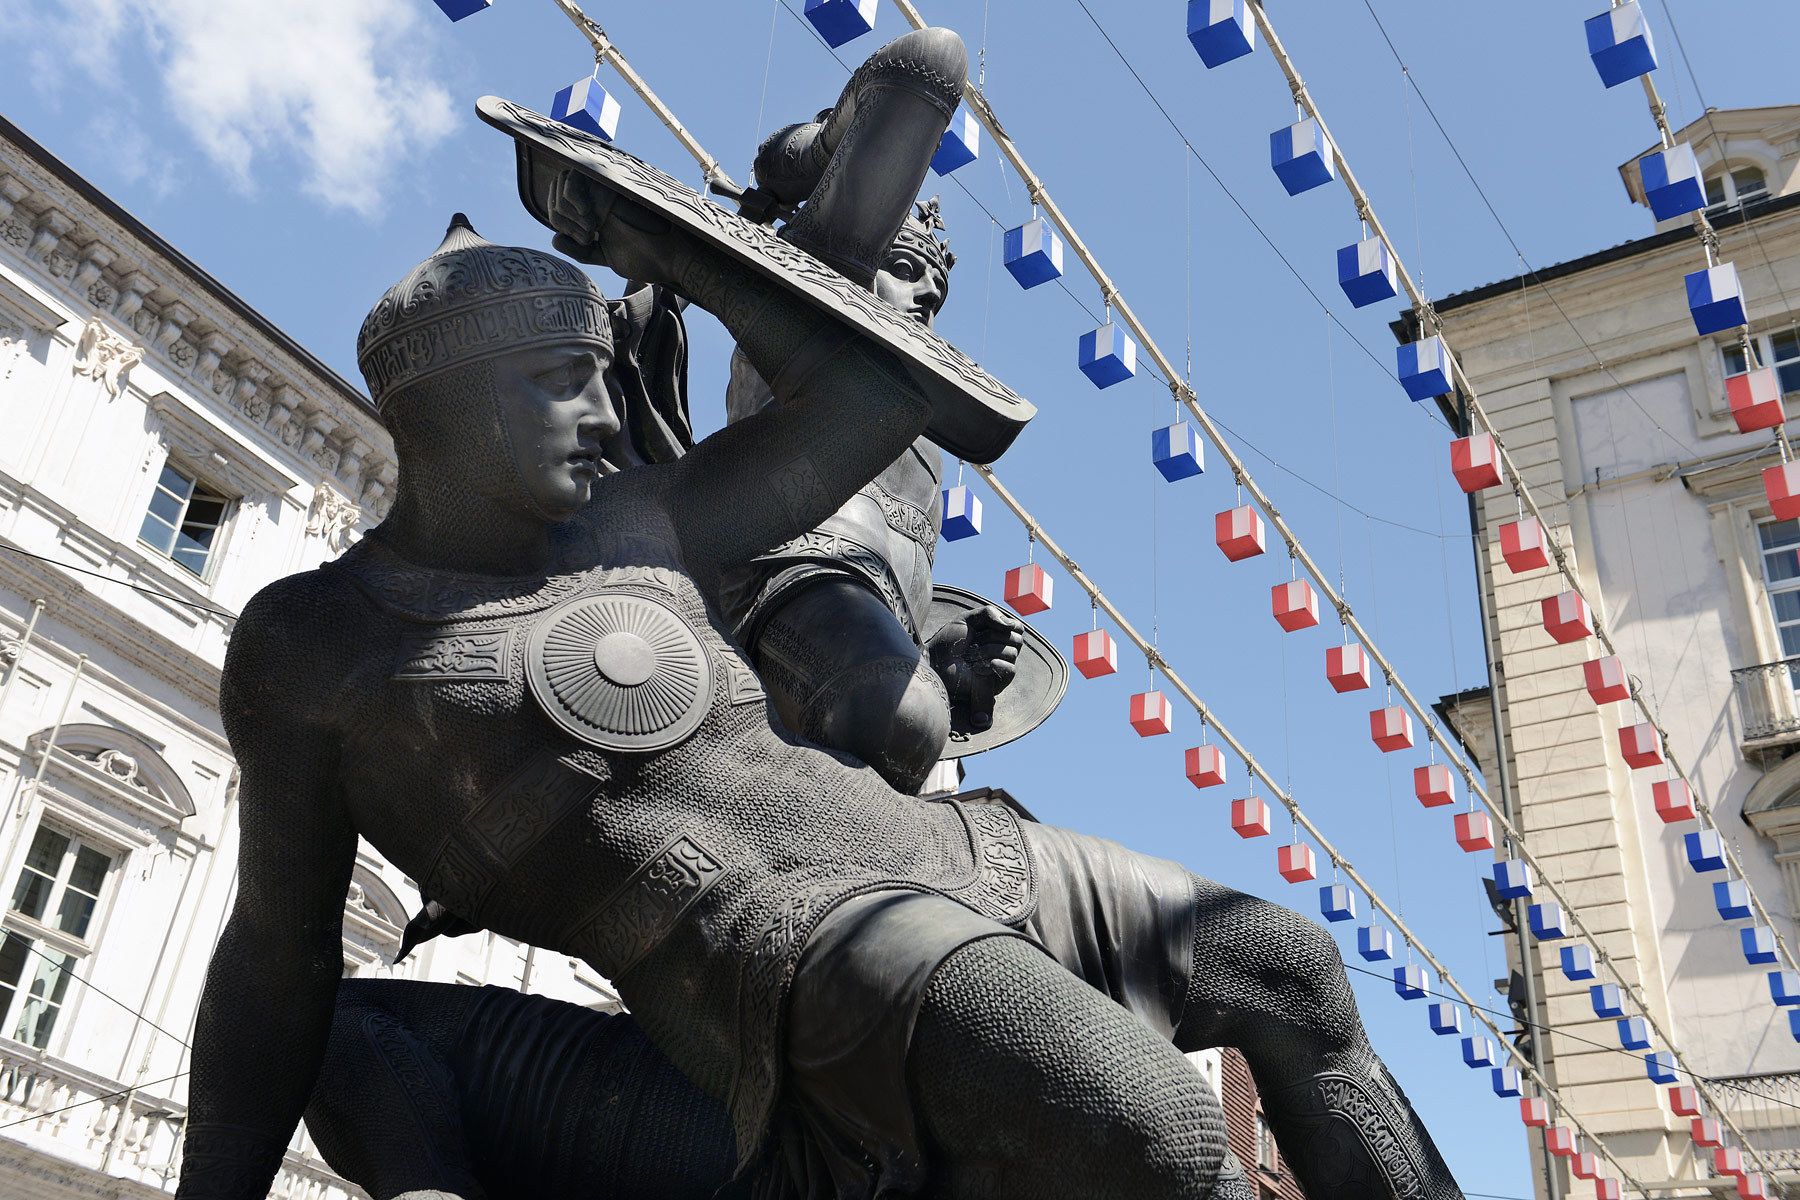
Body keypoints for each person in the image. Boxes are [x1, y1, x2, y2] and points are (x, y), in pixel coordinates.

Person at [178, 29, 1464, 1200]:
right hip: (784, 947)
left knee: (1291, 970)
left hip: (955, 851)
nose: (606, 413)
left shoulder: (636, 526)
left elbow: (876, 391)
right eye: (562, 381)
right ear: (443, 402)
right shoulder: (318, 643)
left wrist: (659, 244)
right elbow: (277, 957)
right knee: (1156, 1132)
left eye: (601, 375)